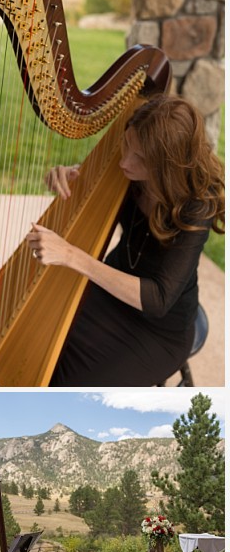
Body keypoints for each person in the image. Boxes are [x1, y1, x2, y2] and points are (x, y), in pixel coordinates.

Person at [27, 94, 225, 386]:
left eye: (140, 159)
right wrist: (61, 177)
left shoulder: (196, 205)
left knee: (71, 387)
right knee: (39, 345)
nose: (124, 162)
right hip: (110, 291)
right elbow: (84, 192)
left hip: (158, 330)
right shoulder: (127, 172)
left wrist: (71, 256)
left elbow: (158, 299)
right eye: (127, 145)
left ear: (168, 166)